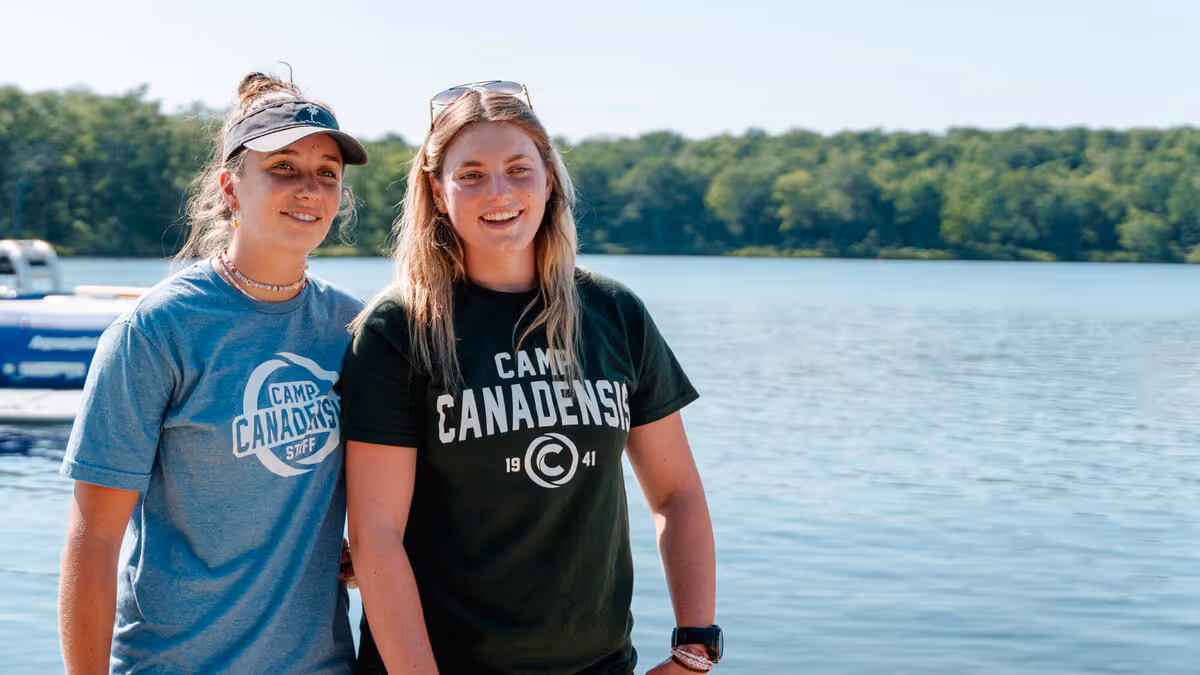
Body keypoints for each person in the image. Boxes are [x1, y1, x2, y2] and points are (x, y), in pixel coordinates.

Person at [341, 81, 722, 675]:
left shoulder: (613, 314)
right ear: (438, 194)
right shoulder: (400, 328)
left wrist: (695, 649)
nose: (499, 191)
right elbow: (375, 536)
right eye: (470, 174)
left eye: (519, 168)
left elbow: (677, 495)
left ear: (549, 181)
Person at [58, 72, 368, 674]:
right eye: (283, 167)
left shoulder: (352, 329)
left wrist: (363, 547)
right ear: (231, 187)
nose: (309, 188)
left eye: (326, 172)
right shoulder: (158, 330)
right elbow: (94, 540)